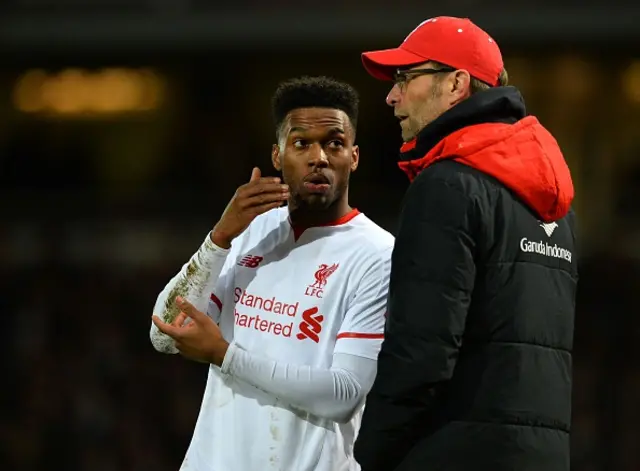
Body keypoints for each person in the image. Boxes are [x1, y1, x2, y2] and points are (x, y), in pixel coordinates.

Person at [354, 16, 578, 471]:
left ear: (456, 83)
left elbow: (422, 352)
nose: (391, 96)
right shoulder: (555, 203)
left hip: (456, 451)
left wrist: (368, 451)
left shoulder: (448, 185)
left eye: (405, 78)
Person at [150, 76, 394, 471]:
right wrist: (219, 238)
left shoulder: (377, 253)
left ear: (354, 156)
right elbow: (163, 333)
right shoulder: (252, 230)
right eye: (302, 143)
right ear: (278, 156)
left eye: (334, 143)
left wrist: (224, 355)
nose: (319, 157)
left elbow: (344, 393)